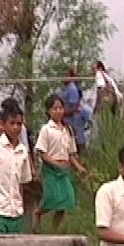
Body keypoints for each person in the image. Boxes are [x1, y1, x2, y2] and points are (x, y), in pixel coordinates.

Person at [32, 94, 88, 234]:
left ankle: (55, 230)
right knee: (52, 197)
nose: (58, 111)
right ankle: (38, 212)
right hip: (51, 169)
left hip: (65, 169)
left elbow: (71, 153)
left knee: (66, 199)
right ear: (48, 111)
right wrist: (55, 163)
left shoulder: (67, 130)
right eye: (55, 108)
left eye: (60, 108)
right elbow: (42, 152)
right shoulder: (46, 129)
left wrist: (79, 167)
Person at [61, 68, 87, 154]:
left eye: (66, 75)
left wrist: (62, 113)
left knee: (76, 144)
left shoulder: (72, 89)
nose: (63, 77)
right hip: (67, 122)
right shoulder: (66, 89)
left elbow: (75, 107)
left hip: (73, 122)